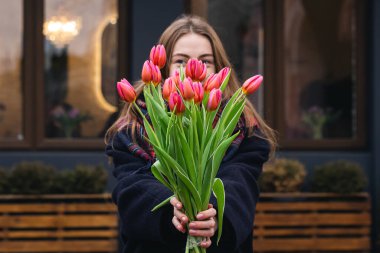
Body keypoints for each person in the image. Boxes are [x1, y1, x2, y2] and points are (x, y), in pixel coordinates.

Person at [105, 14, 276, 253]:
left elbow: (240, 185)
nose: (192, 71)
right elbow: (131, 190)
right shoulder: (132, 129)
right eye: (180, 62)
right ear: (163, 69)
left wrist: (211, 214)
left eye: (205, 61)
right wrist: (172, 211)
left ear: (219, 70)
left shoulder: (242, 128)